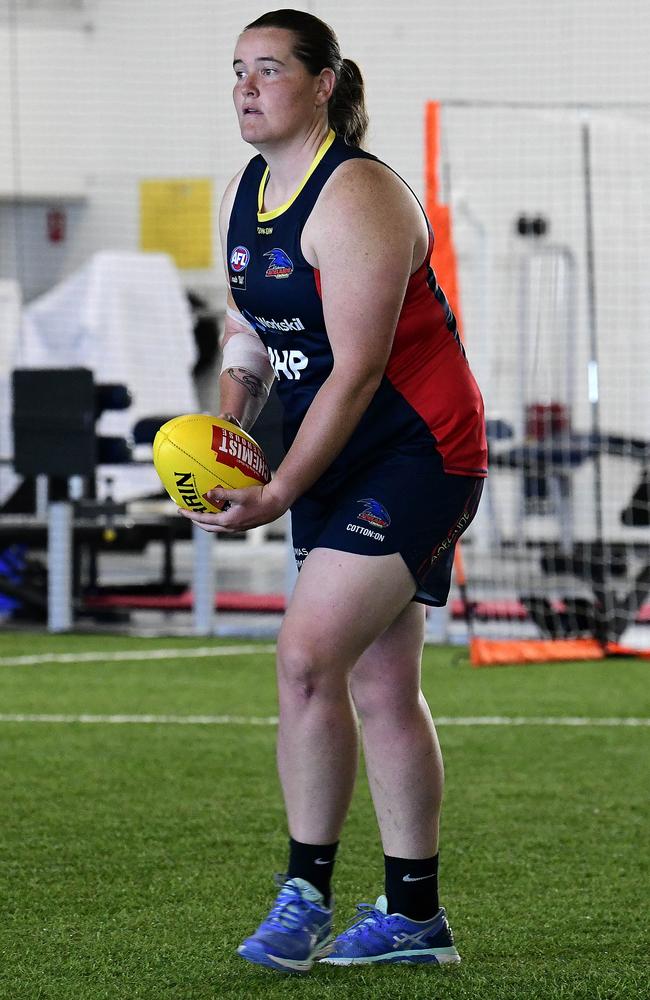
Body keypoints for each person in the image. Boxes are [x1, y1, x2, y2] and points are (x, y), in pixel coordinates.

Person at [178, 8, 487, 973]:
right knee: (382, 680)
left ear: (323, 84)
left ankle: (303, 895)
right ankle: (415, 919)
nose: (246, 86)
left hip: (419, 451)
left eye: (269, 69)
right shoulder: (242, 189)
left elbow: (353, 373)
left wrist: (274, 495)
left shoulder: (357, 196)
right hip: (337, 448)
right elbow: (252, 325)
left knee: (307, 657)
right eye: (237, 69)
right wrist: (229, 429)